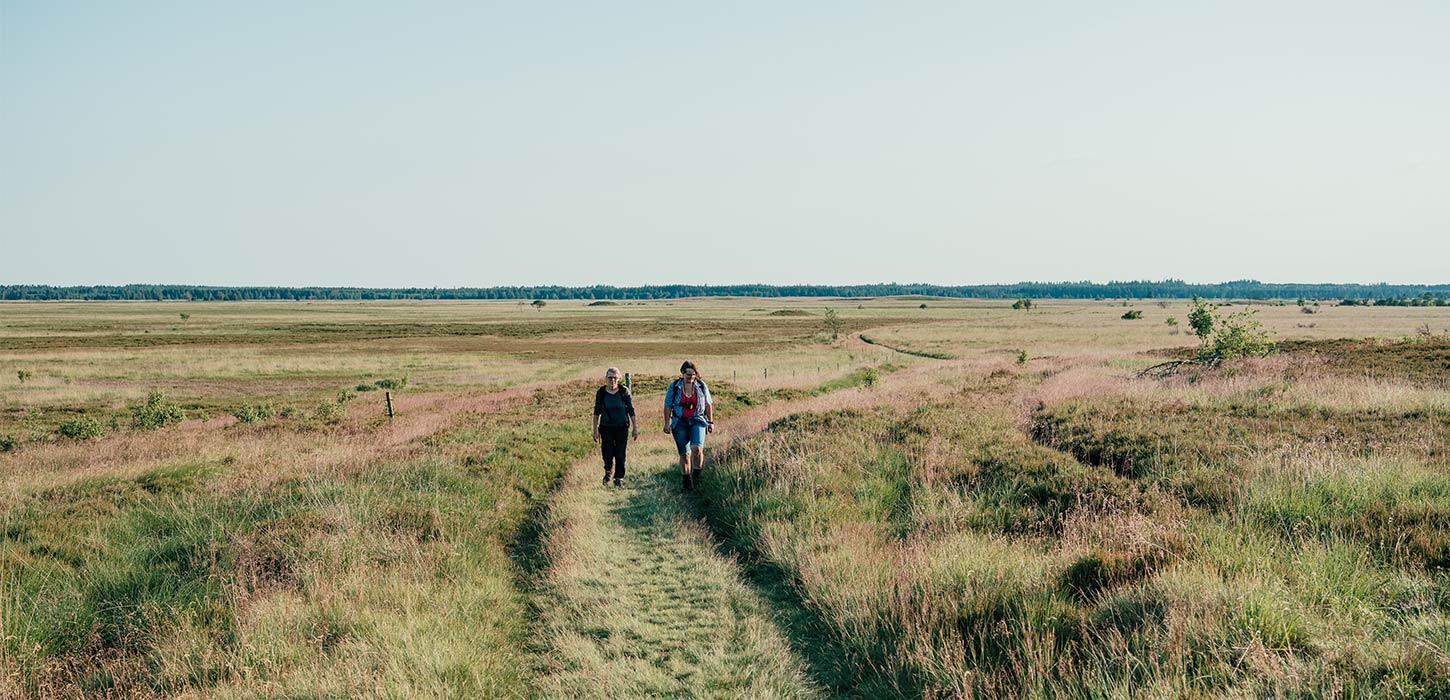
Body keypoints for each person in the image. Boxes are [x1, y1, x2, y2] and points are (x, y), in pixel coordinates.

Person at [663, 360, 713, 492]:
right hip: (680, 422)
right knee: (684, 454)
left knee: (697, 449)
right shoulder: (674, 386)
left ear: (696, 375)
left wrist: (711, 422)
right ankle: (686, 483)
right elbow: (668, 405)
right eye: (688, 374)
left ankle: (697, 477)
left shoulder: (701, 386)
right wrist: (667, 423)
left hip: (698, 420)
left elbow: (708, 404)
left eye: (693, 374)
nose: (690, 377)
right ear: (682, 374)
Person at [593, 367, 637, 487]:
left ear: (619, 378)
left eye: (615, 377)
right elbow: (596, 411)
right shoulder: (601, 393)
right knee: (607, 453)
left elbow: (631, 410)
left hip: (622, 427)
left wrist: (635, 427)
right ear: (606, 378)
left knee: (620, 454)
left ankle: (619, 478)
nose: (612, 380)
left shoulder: (624, 391)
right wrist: (595, 430)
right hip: (606, 427)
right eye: (610, 377)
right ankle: (608, 472)